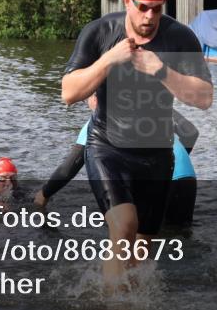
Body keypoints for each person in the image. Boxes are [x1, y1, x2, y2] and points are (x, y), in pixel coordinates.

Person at [60, 0, 212, 287]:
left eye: (156, 8)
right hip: (108, 147)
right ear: (127, 1)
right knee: (123, 227)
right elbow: (69, 93)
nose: (149, 16)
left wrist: (161, 71)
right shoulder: (101, 32)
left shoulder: (180, 37)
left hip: (157, 155)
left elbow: (204, 98)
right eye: (142, 7)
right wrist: (108, 60)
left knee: (141, 250)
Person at [36, 95, 198, 227]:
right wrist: (173, 163)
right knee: (182, 239)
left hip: (158, 182)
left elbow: (69, 167)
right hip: (187, 180)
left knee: (144, 248)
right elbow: (191, 133)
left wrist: (44, 194)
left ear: (95, 99)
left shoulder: (98, 124)